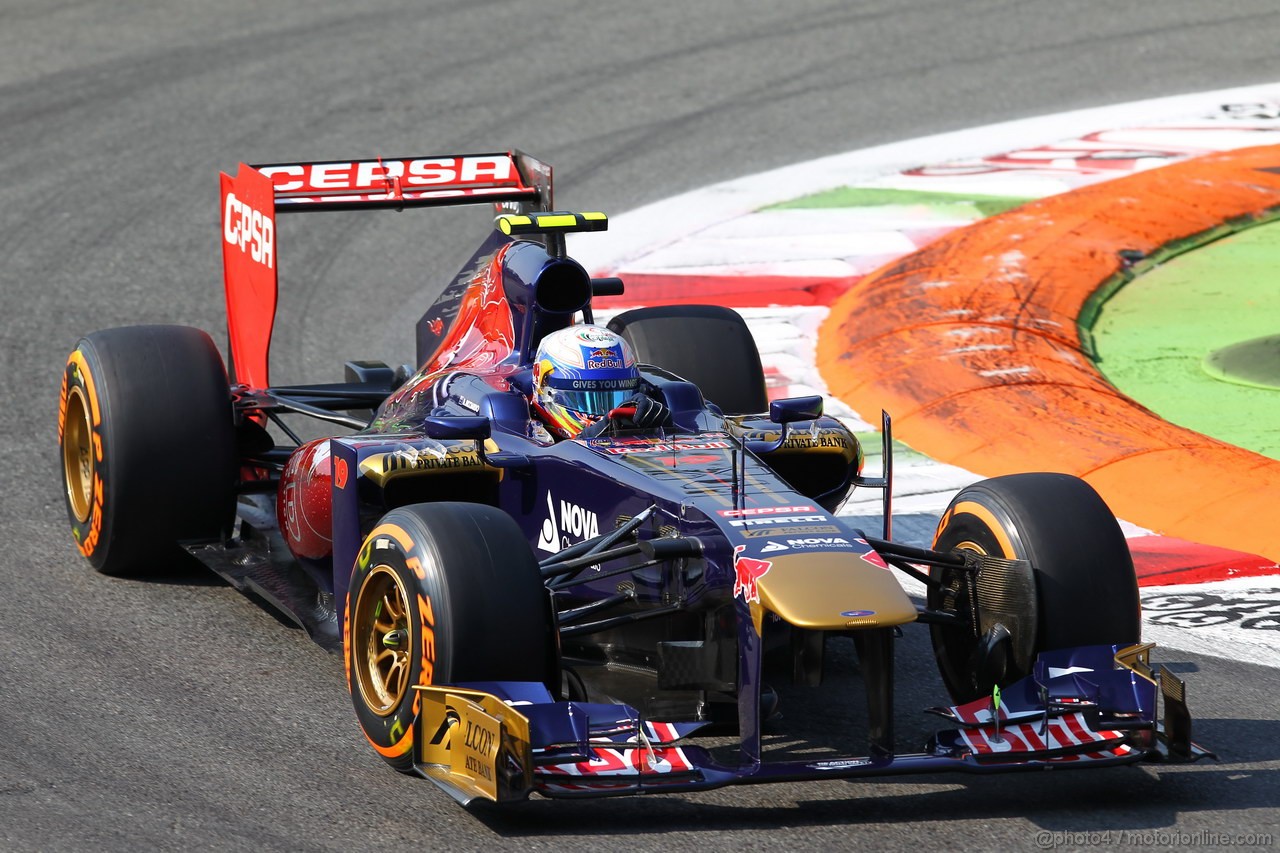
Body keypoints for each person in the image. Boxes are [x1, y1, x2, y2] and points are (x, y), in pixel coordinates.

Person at [530, 325, 668, 439]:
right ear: (545, 389)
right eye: (584, 399)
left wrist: (667, 430)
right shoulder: (525, 433)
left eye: (617, 398)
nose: (605, 413)